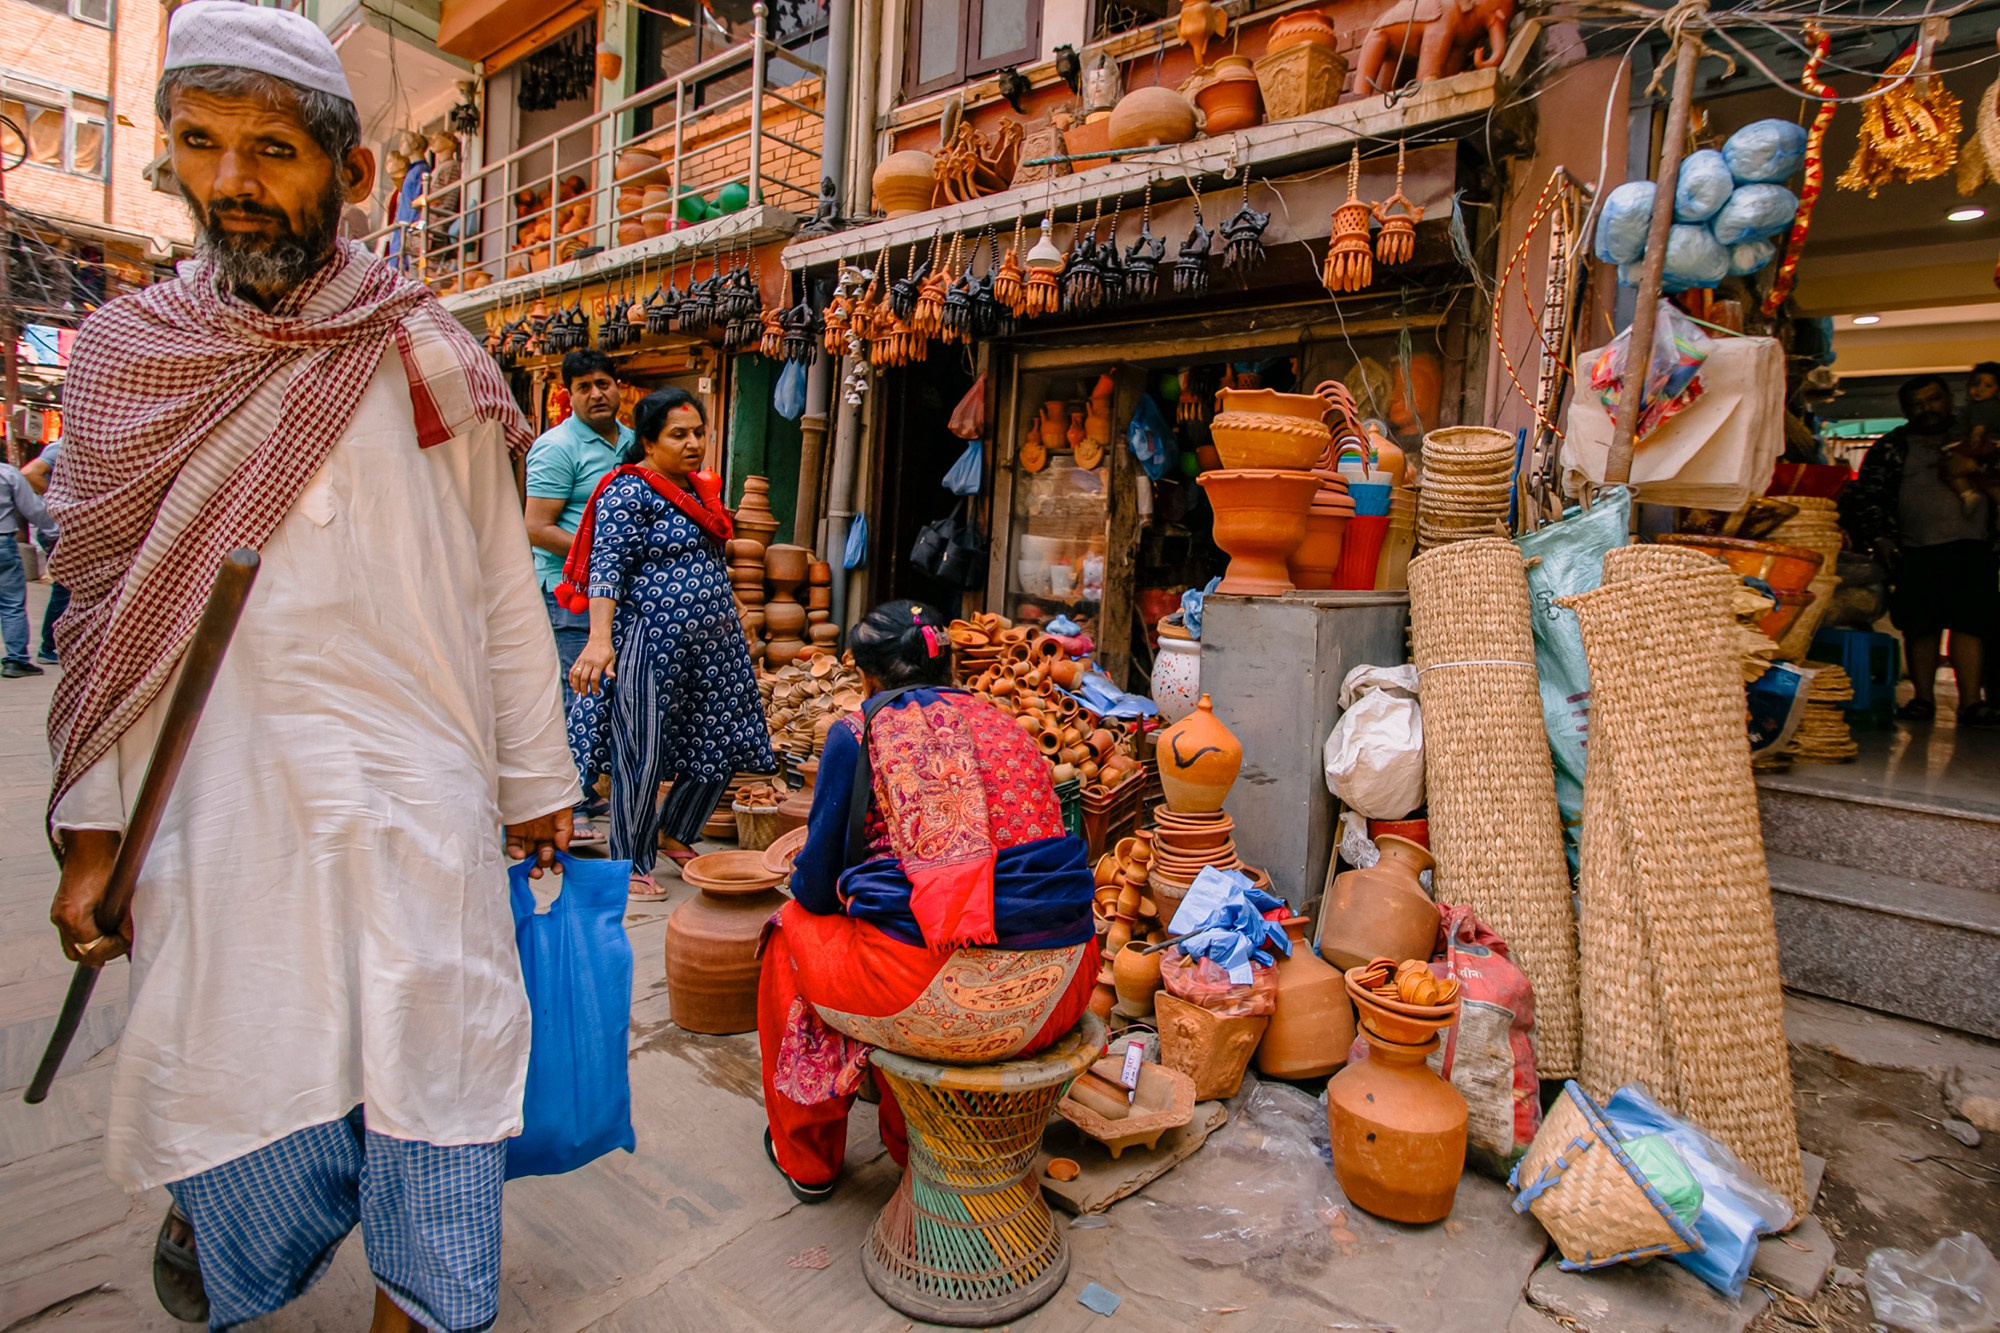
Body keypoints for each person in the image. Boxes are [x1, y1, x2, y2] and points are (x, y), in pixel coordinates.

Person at [44, 5, 580, 1329]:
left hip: (420, 809)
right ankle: (227, 1231)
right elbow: (101, 623)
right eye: (202, 143)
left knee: (437, 1078)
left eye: (273, 151)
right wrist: (93, 844)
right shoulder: (124, 362)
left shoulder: (431, 354)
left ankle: (426, 1302)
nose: (232, 180)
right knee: (239, 1063)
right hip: (221, 810)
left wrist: (535, 782)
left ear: (352, 172)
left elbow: (499, 588)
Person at [755, 601, 1099, 1203]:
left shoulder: (860, 732)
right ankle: (908, 1137)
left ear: (867, 677)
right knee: (894, 924)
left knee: (794, 932)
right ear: (949, 666)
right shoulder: (1005, 724)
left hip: (947, 998)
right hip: (1065, 983)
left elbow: (815, 887)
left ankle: (809, 1157)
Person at [563, 387, 776, 897]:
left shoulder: (699, 490)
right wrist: (599, 640)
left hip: (712, 644)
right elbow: (607, 569)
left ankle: (674, 830)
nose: (693, 443)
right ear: (648, 441)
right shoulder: (628, 491)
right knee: (642, 748)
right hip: (650, 642)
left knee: (721, 735)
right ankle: (629, 859)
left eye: (699, 432)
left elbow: (705, 560)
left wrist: (735, 608)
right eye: (678, 434)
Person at [1841, 374, 2000, 727]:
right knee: (1919, 626)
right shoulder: (1891, 447)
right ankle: (1922, 699)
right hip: (1915, 550)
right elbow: (1868, 497)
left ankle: (1971, 703)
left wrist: (1976, 466)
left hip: (1975, 547)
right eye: (1917, 404)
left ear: (1949, 399)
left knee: (1971, 625)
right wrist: (1880, 538)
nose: (1927, 408)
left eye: (1933, 399)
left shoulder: (1977, 439)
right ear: (1905, 410)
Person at [525, 349, 631, 843]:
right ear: (569, 395)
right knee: (580, 694)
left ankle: (588, 787)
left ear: (618, 386)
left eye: (603, 383)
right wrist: (601, 557)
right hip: (569, 593)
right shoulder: (557, 448)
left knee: (610, 694)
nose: (596, 394)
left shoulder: (632, 442)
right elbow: (537, 527)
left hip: (618, 593)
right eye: (584, 387)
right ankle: (573, 802)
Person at [0, 455, 56, 677]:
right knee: (11, 603)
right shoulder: (7, 473)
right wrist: (56, 531)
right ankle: (16, 660)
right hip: (2, 543)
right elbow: (33, 509)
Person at [21, 438, 68, 665]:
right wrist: (56, 500)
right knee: (65, 589)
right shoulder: (63, 446)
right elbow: (30, 473)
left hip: (62, 527)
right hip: (59, 529)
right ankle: (49, 647)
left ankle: (55, 645)